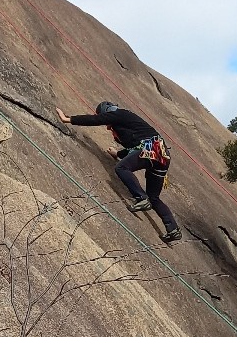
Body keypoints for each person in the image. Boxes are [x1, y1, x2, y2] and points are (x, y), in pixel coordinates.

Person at [56, 102, 182, 243]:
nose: (107, 125)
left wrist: (69, 119)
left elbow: (96, 120)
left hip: (152, 149)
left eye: (105, 118)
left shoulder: (120, 114)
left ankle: (141, 198)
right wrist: (118, 154)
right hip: (162, 156)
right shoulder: (125, 124)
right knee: (154, 197)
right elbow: (135, 147)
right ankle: (173, 229)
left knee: (121, 168)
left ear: (107, 113)